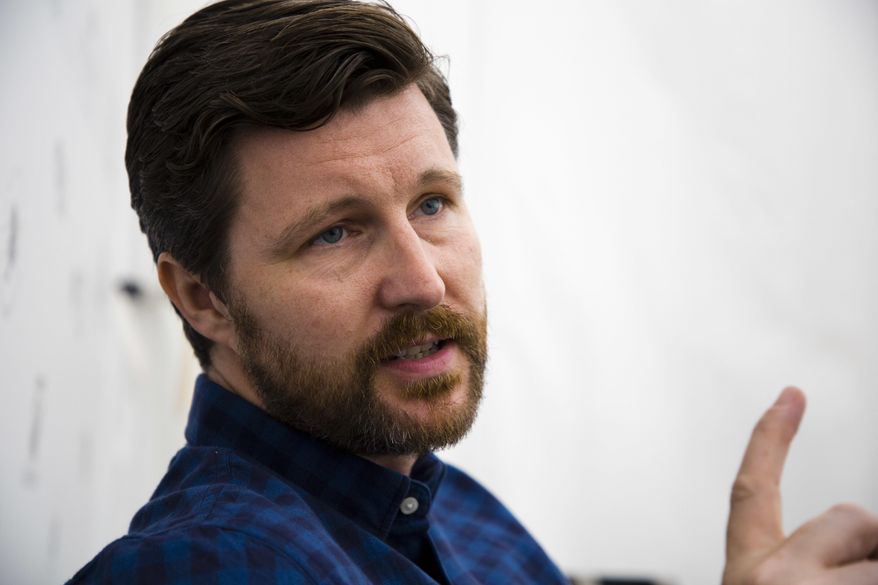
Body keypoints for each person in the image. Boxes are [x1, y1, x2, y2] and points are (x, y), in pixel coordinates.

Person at [69, 1, 878, 583]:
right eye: (335, 232)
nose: (423, 279)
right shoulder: (207, 566)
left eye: (432, 204)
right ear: (202, 296)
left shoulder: (460, 517)